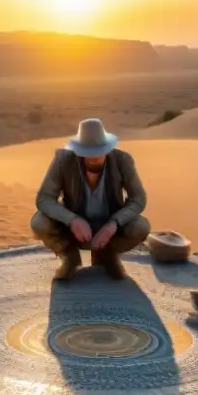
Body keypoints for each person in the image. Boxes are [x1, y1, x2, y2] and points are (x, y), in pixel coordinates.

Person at [31, 117, 150, 280]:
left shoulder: (122, 161)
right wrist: (72, 220)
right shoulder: (63, 160)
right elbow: (44, 199)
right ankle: (70, 258)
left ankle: (108, 255)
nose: (94, 157)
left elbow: (138, 198)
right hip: (73, 229)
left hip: (108, 227)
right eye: (88, 152)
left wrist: (114, 224)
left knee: (141, 226)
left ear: (108, 148)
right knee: (39, 223)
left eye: (99, 151)